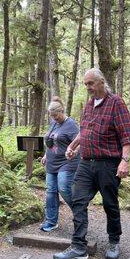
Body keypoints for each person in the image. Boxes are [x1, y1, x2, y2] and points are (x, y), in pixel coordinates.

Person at [53, 68, 130, 259]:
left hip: (108, 164)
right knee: (78, 199)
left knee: (110, 204)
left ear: (101, 82)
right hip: (86, 163)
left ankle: (114, 241)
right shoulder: (89, 105)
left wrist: (125, 160)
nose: (88, 87)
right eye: (86, 84)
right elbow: (84, 131)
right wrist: (73, 146)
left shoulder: (116, 103)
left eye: (90, 83)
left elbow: (126, 134)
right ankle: (79, 246)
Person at [40, 97, 79, 232]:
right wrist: (45, 155)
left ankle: (80, 212)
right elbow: (51, 141)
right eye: (52, 116)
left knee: (63, 188)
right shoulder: (54, 124)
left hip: (67, 162)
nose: (54, 118)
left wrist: (74, 152)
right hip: (51, 163)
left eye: (56, 116)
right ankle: (51, 221)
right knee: (51, 192)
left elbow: (79, 142)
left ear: (61, 111)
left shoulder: (71, 125)